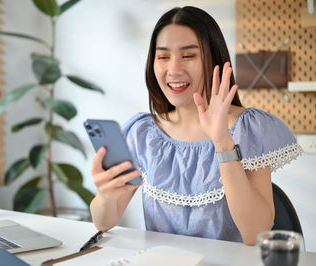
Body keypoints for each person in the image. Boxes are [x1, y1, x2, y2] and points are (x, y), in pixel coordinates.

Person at [89, 6, 303, 245]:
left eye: (188, 56)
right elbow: (104, 222)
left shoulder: (248, 128)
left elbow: (255, 233)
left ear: (214, 59)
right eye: (163, 57)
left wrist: (222, 143)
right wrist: (105, 195)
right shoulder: (143, 133)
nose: (174, 69)